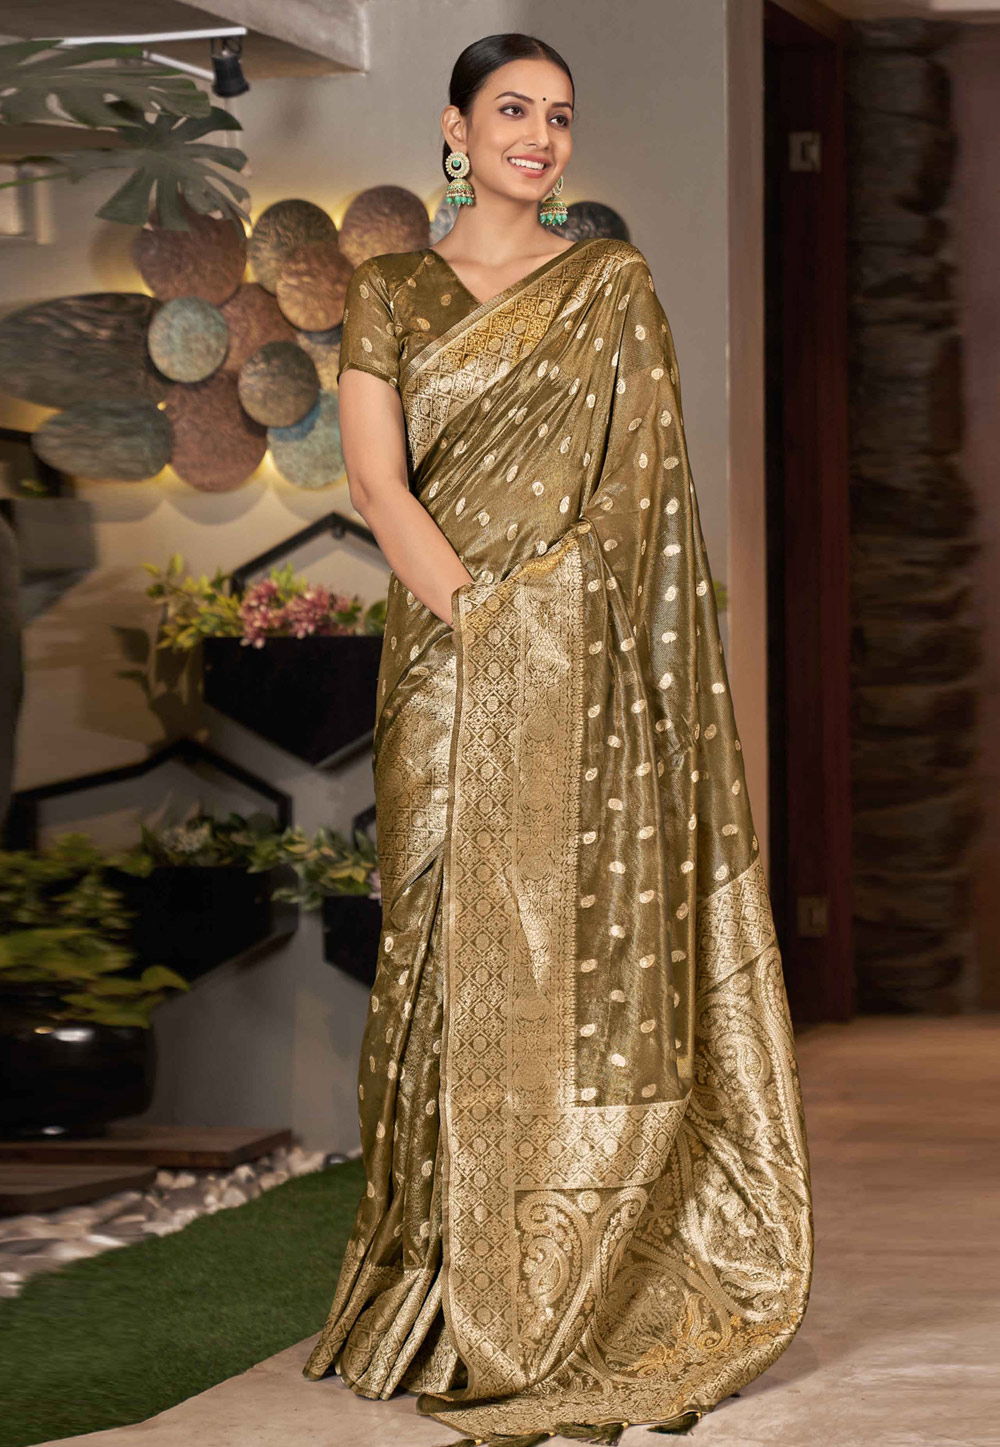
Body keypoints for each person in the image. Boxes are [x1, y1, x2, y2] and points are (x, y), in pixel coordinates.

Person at [302, 32, 814, 1447]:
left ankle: (578, 1277)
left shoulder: (609, 285)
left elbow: (642, 504)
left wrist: (551, 634)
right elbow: (377, 481)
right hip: (448, 667)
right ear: (455, 128)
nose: (540, 135)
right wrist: (482, 618)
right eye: (514, 109)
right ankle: (441, 1280)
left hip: (587, 672)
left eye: (561, 115)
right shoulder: (390, 290)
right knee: (440, 950)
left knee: (577, 955)